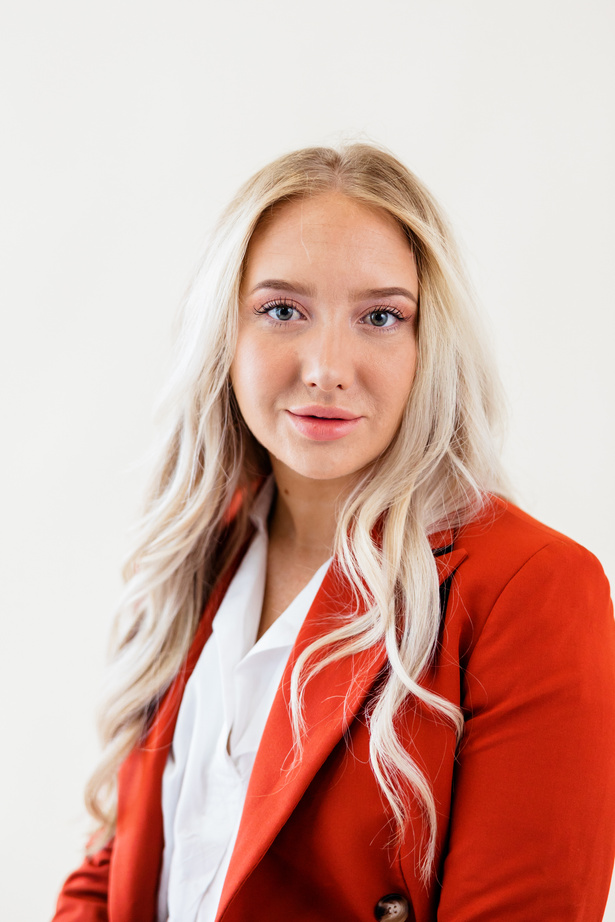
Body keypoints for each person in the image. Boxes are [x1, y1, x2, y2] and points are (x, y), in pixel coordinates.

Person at [52, 143, 615, 922]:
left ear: (430, 345)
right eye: (282, 310)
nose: (325, 366)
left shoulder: (531, 588)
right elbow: (118, 870)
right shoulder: (199, 550)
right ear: (227, 333)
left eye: (380, 317)